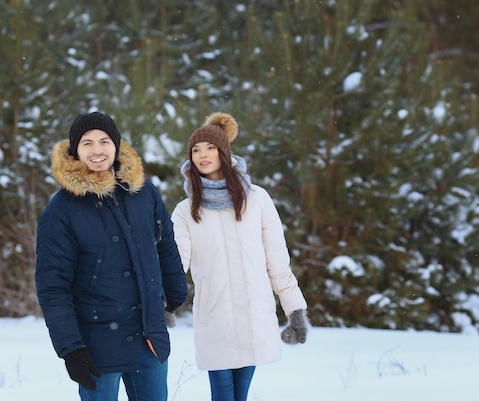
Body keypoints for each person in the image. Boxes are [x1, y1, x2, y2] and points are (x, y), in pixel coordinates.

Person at [35, 111, 188, 401]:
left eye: (104, 141)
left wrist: (176, 290)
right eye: (87, 143)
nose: (97, 150)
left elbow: (165, 242)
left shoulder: (143, 192)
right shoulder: (61, 211)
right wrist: (71, 348)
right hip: (97, 345)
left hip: (148, 337)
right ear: (75, 151)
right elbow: (53, 286)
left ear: (116, 145)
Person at [170, 112, 309, 401]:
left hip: (255, 316)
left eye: (209, 148)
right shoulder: (186, 211)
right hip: (213, 317)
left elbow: (277, 262)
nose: (202, 155)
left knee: (239, 396)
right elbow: (175, 265)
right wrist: (164, 302)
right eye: (196, 150)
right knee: (223, 395)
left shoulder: (257, 199)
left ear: (224, 152)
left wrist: (294, 310)